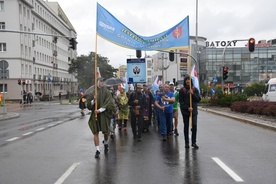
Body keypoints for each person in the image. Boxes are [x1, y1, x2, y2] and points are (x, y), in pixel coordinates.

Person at [86, 77, 116, 158]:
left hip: (104, 115)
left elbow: (109, 103)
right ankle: (97, 150)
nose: (102, 83)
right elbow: (88, 105)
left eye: (103, 81)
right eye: (101, 81)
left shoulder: (107, 92)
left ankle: (106, 143)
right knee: (95, 132)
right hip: (95, 115)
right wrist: (93, 101)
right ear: (97, 82)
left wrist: (99, 110)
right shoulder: (93, 93)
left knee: (106, 132)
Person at [179, 76, 201, 149]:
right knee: (186, 126)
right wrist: (187, 108)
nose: (187, 81)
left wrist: (193, 94)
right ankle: (186, 143)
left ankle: (194, 142)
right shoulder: (182, 90)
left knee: (194, 125)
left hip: (194, 111)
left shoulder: (195, 90)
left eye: (189, 80)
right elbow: (181, 102)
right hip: (185, 111)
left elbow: (198, 99)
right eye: (186, 80)